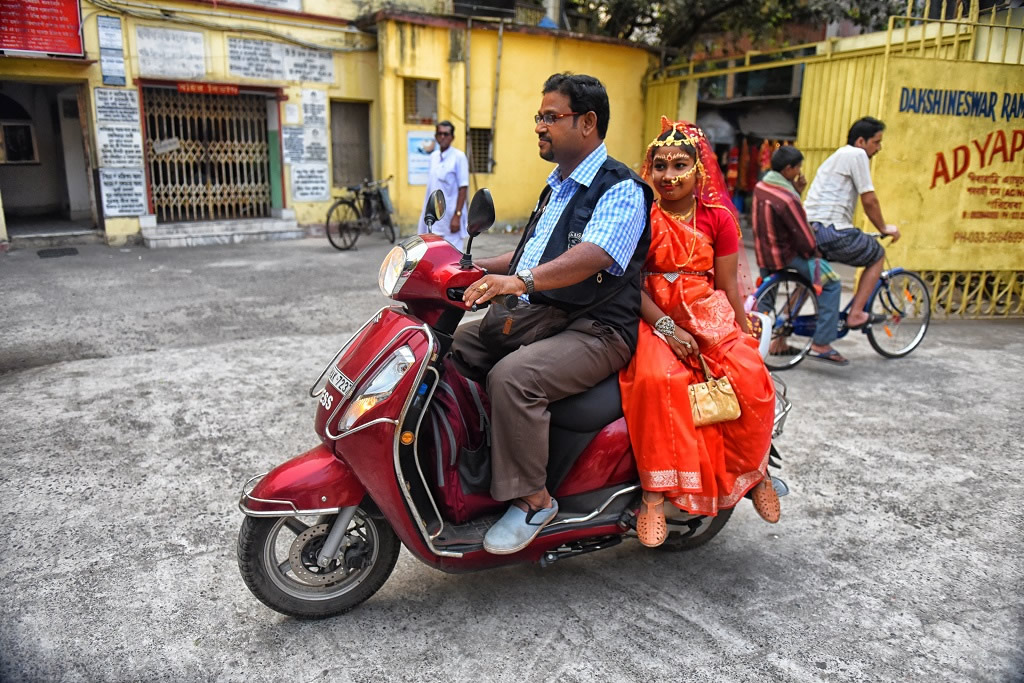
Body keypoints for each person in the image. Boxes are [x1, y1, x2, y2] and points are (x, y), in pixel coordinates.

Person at [452, 73, 651, 555]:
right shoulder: (556, 187)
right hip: (542, 316)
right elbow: (525, 259)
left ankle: (534, 500)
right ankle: (472, 458)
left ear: (587, 122)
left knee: (513, 377)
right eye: (539, 116)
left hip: (597, 328)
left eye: (550, 116)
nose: (539, 126)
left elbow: (595, 254)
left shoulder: (621, 188)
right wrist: (460, 266)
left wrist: (520, 283)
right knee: (445, 348)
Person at [618, 118, 779, 549]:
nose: (668, 176)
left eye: (678, 166)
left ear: (698, 170)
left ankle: (756, 471)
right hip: (652, 312)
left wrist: (742, 331)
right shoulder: (641, 216)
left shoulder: (719, 219)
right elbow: (629, 284)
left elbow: (727, 285)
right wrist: (667, 328)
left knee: (750, 377)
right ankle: (654, 496)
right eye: (659, 166)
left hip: (705, 308)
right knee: (659, 380)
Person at [804, 117, 901, 336]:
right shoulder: (856, 154)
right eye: (876, 142)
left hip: (811, 229)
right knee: (877, 254)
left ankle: (781, 330)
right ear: (861, 141)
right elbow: (869, 200)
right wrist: (884, 228)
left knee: (814, 274)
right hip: (832, 230)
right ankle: (856, 313)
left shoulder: (836, 156)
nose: (878, 148)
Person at [752, 145, 846, 365]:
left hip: (764, 254)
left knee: (766, 299)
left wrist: (797, 190)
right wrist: (815, 252)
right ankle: (821, 342)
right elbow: (804, 237)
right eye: (797, 168)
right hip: (786, 256)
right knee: (832, 283)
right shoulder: (786, 198)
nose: (799, 171)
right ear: (788, 169)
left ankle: (755, 341)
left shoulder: (761, 186)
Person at [417, 120, 470, 251]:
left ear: (452, 137)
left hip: (451, 217)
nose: (443, 137)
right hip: (434, 218)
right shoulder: (433, 157)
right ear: (435, 136)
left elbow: (463, 187)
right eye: (440, 134)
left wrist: (457, 216)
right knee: (434, 254)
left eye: (446, 134)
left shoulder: (459, 157)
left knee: (453, 256)